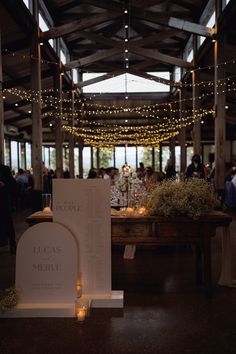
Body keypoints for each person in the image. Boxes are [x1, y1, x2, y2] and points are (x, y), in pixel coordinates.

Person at [0, 163, 17, 253]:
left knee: (8, 223)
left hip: (3, 201)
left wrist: (4, 184)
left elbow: (13, 183)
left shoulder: (4, 169)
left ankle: (12, 244)